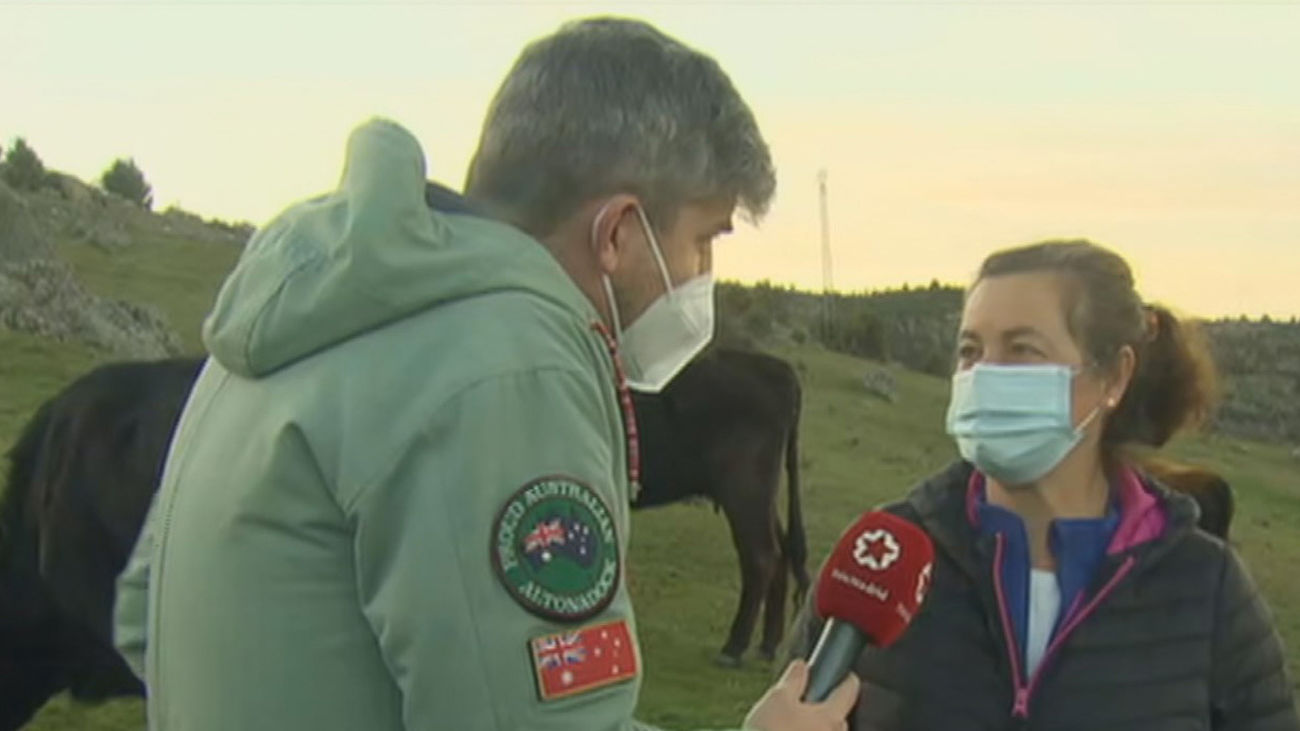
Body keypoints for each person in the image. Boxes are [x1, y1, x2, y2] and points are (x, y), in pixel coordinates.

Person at [111, 16, 858, 731]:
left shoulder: (292, 318)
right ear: (619, 233)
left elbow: (142, 619)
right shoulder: (511, 363)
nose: (702, 277)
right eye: (704, 239)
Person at [785, 239, 1300, 730]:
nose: (985, 374)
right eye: (970, 350)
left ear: (1113, 377)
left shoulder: (1203, 585)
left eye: (1021, 349)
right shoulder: (886, 554)